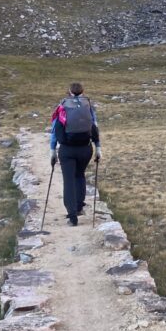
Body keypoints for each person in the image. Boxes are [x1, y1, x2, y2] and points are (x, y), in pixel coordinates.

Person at [50, 82, 102, 226]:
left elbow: (55, 130)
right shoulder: (88, 106)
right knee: (79, 175)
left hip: (67, 149)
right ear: (83, 91)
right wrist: (98, 148)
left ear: (69, 92)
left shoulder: (62, 107)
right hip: (85, 149)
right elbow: (94, 127)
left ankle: (72, 215)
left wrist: (52, 150)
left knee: (69, 179)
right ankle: (79, 206)